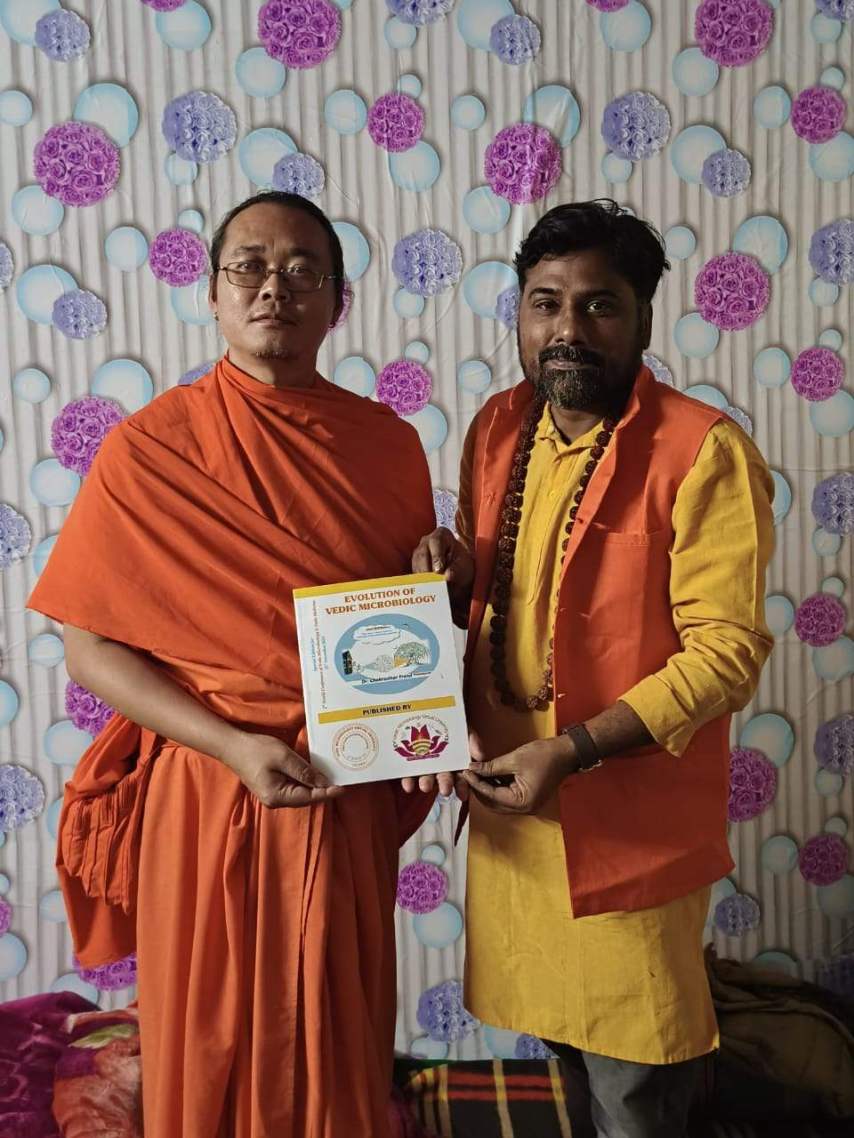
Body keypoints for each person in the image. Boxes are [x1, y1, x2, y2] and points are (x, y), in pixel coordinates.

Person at [29, 191, 437, 1138]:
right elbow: (90, 647)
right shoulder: (150, 449)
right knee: (206, 1035)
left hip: (341, 785)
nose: (272, 288)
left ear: (337, 300)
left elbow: (395, 632)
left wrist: (443, 576)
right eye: (247, 266)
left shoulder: (388, 446)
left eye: (302, 270)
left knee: (335, 1031)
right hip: (210, 785)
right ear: (212, 294)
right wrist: (231, 744)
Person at [412, 199, 775, 1138]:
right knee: (566, 1056)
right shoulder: (499, 427)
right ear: (520, 314)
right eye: (545, 303)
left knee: (637, 1086)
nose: (567, 328)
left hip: (628, 830)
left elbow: (727, 654)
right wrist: (453, 573)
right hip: (513, 815)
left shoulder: (703, 451)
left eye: (598, 304)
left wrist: (571, 750)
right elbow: (512, 591)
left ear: (643, 317)